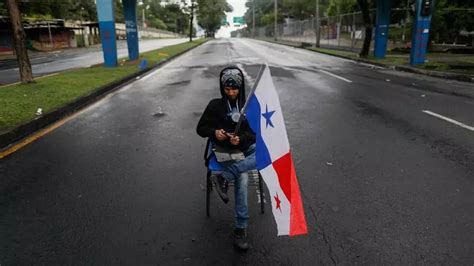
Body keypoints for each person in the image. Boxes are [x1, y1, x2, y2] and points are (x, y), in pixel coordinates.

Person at [196, 66, 256, 251]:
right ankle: (241, 228)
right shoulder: (215, 105)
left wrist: (242, 138)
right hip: (223, 150)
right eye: (227, 89)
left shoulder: (249, 105)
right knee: (243, 177)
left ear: (241, 87)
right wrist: (215, 132)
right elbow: (200, 129)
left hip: (244, 149)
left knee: (267, 154)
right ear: (222, 88)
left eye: (234, 89)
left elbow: (254, 133)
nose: (231, 92)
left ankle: (225, 177)